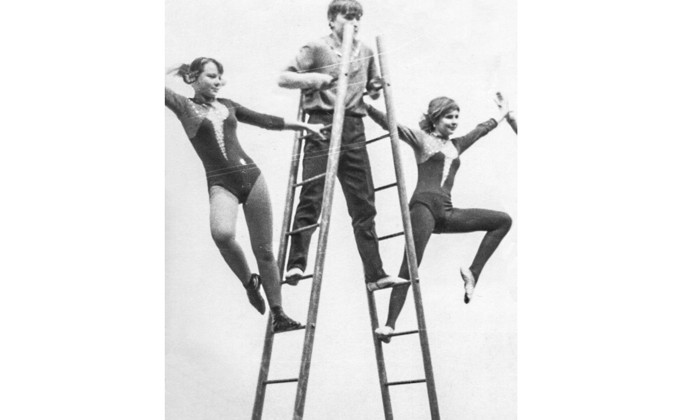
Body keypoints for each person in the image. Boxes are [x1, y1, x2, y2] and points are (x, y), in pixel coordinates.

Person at [165, 57, 324, 333]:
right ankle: (250, 282)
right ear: (192, 78)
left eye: (219, 77)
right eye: (211, 76)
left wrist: (305, 126)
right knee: (222, 234)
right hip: (221, 183)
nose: (217, 81)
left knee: (264, 251)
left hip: (252, 178)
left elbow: (264, 120)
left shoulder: (228, 105)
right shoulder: (184, 105)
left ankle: (279, 314)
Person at [278, 0, 408, 291]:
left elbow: (372, 90)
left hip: (353, 126)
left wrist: (375, 87)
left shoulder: (366, 51)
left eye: (357, 17)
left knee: (364, 202)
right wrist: (315, 79)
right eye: (347, 17)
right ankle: (296, 262)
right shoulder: (317, 47)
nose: (354, 22)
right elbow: (284, 77)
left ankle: (375, 274)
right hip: (322, 123)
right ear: (331, 20)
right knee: (312, 194)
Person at [365, 95, 513, 343]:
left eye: (456, 117)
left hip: (446, 212)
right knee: (410, 266)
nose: (454, 122)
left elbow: (481, 129)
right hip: (422, 209)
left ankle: (473, 273)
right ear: (435, 119)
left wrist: (503, 113)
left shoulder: (457, 145)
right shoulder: (421, 139)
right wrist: (365, 106)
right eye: (449, 117)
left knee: (503, 220)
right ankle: (390, 325)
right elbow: (390, 124)